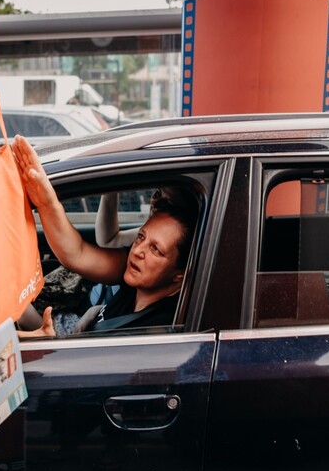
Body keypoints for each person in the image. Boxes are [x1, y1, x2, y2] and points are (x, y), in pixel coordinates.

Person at [11, 136, 197, 337]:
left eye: (156, 249)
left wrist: (49, 345)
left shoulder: (155, 332)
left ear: (180, 273)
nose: (138, 251)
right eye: (141, 237)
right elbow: (77, 253)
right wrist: (47, 203)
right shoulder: (137, 281)